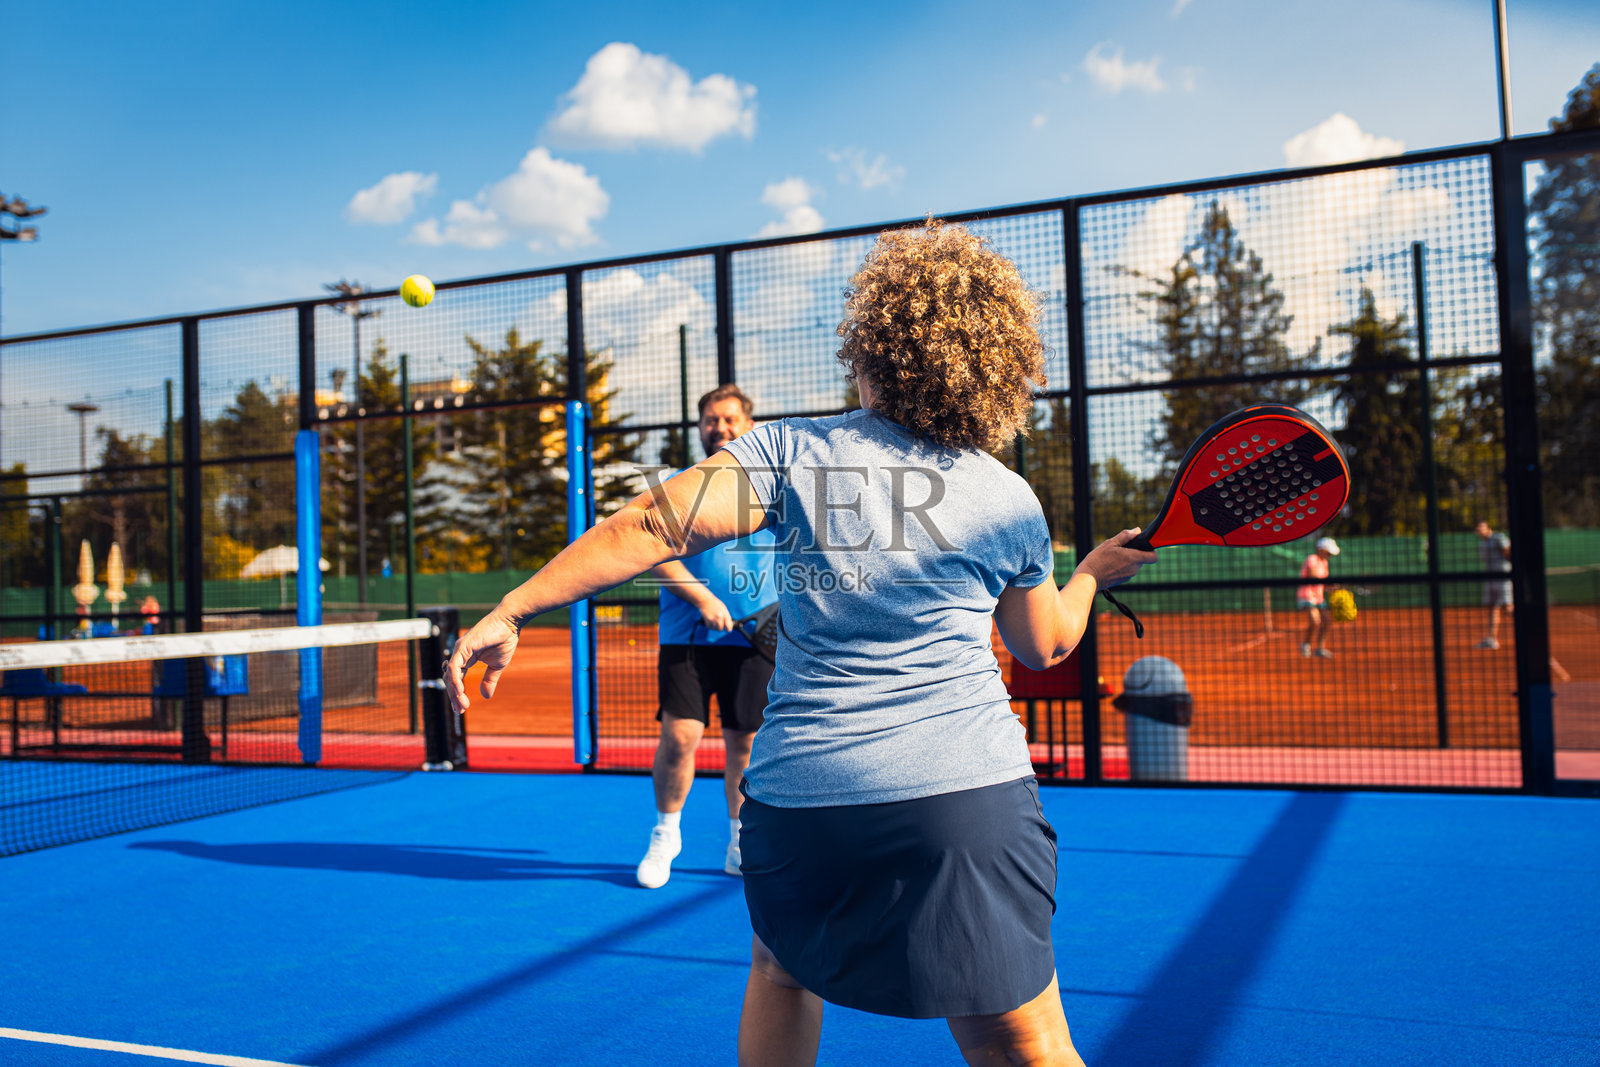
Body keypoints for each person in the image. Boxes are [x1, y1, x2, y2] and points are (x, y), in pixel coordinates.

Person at [444, 219, 1155, 1066]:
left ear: (872, 344)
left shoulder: (791, 450)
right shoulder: (1009, 496)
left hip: (805, 803)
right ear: (991, 366)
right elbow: (1044, 644)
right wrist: (1090, 576)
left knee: (782, 974)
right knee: (1024, 1038)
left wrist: (513, 609)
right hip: (965, 801)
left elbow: (645, 524)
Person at [637, 384, 778, 889]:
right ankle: (666, 835)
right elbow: (653, 554)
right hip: (687, 637)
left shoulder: (771, 491)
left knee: (745, 744)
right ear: (700, 428)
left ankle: (740, 840)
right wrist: (704, 599)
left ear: (749, 426)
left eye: (729, 419)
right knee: (680, 738)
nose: (719, 428)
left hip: (757, 640)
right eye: (710, 420)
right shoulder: (678, 487)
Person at [1298, 536, 1339, 658]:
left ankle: (1320, 648)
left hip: (1319, 597)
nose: (1330, 555)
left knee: (1327, 620)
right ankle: (1305, 644)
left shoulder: (1325, 563)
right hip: (1306, 595)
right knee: (1315, 621)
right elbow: (1313, 576)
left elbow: (1323, 582)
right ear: (1321, 550)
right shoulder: (1312, 559)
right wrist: (1328, 582)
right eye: (1329, 552)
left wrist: (1330, 587)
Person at [1475, 520, 1512, 650]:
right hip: (1491, 578)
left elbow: (1508, 553)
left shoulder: (1498, 538)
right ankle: (1492, 639)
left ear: (1487, 527)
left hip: (1503, 577)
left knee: (1508, 608)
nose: (1478, 530)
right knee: (1492, 607)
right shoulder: (1483, 544)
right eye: (1477, 528)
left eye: (1480, 527)